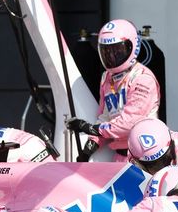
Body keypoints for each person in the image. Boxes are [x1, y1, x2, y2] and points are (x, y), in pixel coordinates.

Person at [65, 19, 160, 162]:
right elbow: (105, 117)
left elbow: (130, 122)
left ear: (133, 46)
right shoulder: (107, 77)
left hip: (147, 156)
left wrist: (90, 128)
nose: (112, 56)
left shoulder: (143, 79)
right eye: (106, 51)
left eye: (117, 50)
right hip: (121, 156)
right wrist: (88, 149)